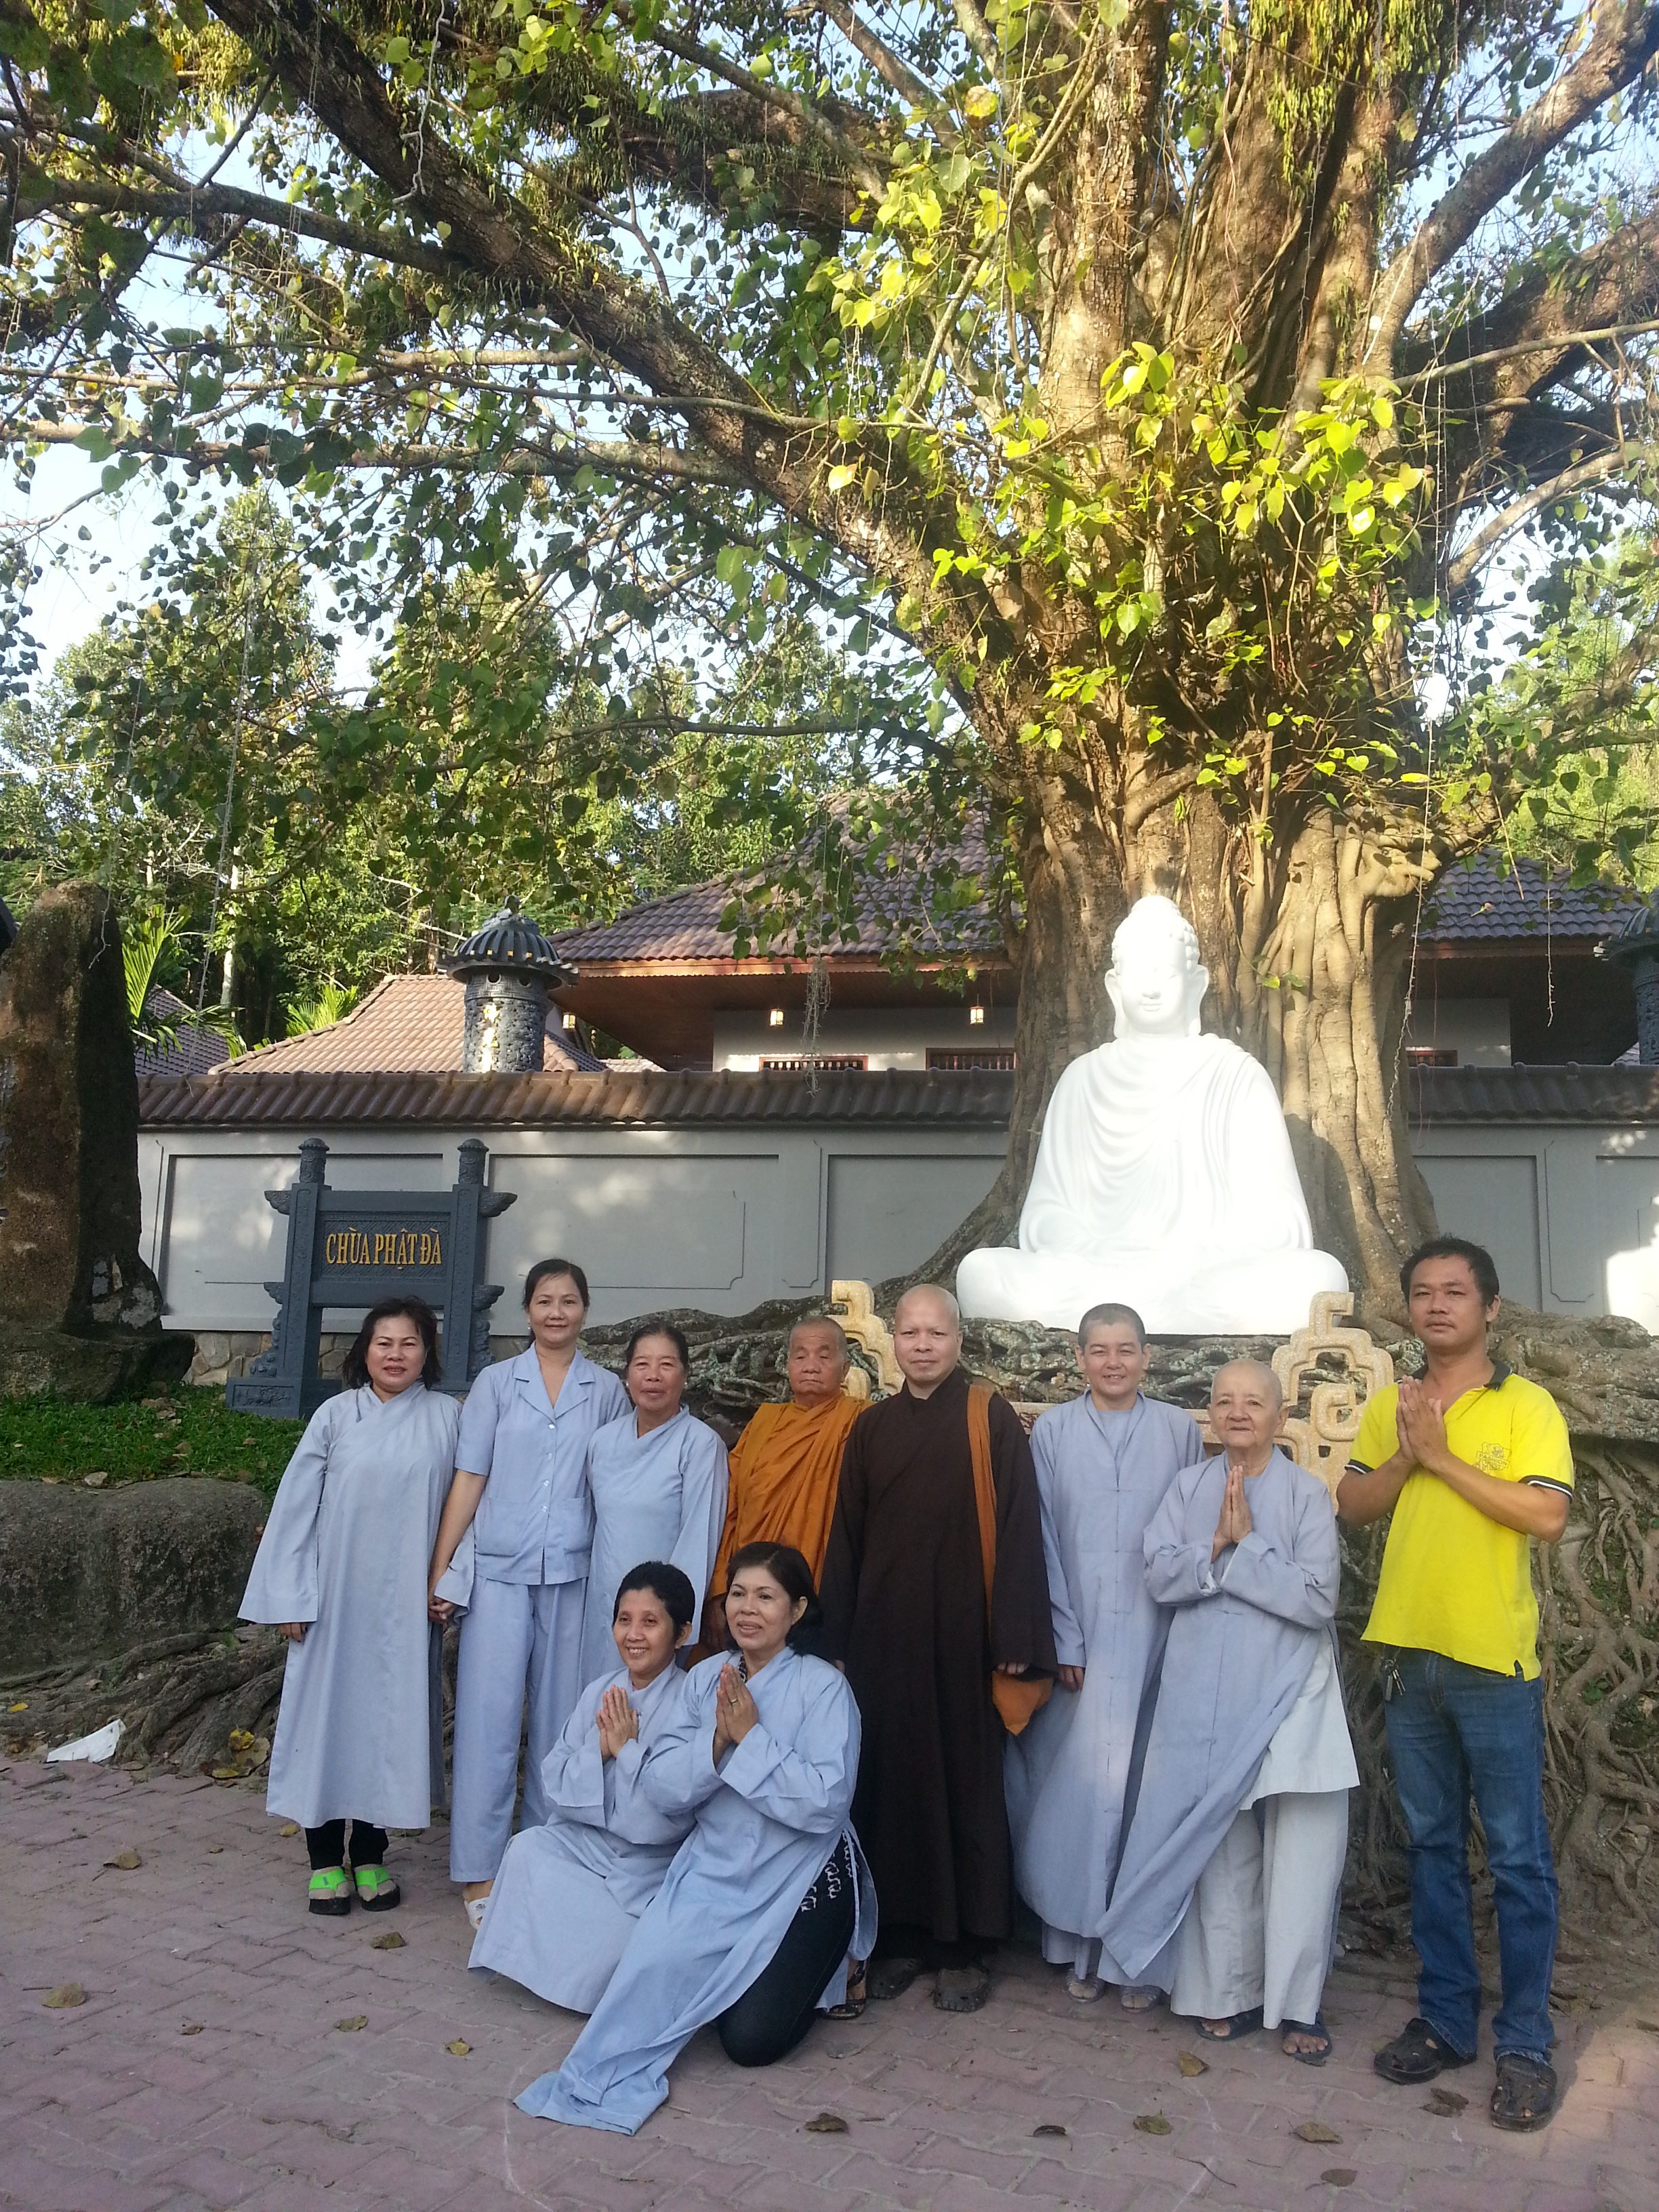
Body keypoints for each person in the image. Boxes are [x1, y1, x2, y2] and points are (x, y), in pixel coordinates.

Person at [516, 1542, 875, 2135]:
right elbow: (661, 1786)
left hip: (803, 1871)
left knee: (749, 2041)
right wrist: (716, 1743)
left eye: (766, 1597)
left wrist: (751, 1739)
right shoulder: (708, 1676)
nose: (748, 1609)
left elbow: (825, 1803)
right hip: (716, 1868)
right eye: (739, 1594)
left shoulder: (824, 1689)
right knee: (647, 1979)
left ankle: (838, 1961)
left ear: (796, 1609)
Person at [1338, 1235, 1575, 2133]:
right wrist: (1410, 1453)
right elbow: (1352, 1504)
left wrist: (1443, 1460)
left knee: (1517, 1859)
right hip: (1410, 1658)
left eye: (1455, 1292)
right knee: (1432, 1848)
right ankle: (1444, 2019)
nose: (1437, 1305)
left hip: (1494, 1666)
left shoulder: (1527, 1405)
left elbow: (1546, 1513)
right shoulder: (1393, 1405)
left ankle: (1525, 2043)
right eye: (1423, 1293)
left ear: (1490, 1308)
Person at [1099, 1361, 1356, 2063]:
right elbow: (1159, 1576)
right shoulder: (1188, 1488)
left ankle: (1299, 2004)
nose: (1238, 1413)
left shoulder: (1306, 1495)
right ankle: (1225, 1995)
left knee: (1302, 1853)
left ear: (1281, 1416)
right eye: (1224, 1401)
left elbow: (1317, 1599)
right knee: (1218, 1848)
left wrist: (1246, 1547)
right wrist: (1214, 1544)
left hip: (1291, 1692)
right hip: (1202, 1691)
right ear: (1209, 1414)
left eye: (1254, 1402)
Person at [819, 1283, 1055, 2013]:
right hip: (884, 1637)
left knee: (965, 1781)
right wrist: (836, 1639)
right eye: (911, 1333)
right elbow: (845, 1535)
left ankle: (967, 1946)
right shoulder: (872, 1428)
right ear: (892, 1341)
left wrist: (1015, 1633)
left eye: (937, 1334)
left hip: (965, 1635)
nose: (923, 1346)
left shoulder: (989, 1417)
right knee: (890, 1782)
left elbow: (1020, 1527)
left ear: (959, 1341)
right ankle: (900, 1935)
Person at [1007, 1303, 1202, 2004]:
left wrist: (1181, 1637)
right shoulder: (1054, 1432)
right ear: (1079, 1359)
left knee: (1148, 1790)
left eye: (1126, 1350)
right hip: (1080, 1641)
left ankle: (1136, 1955)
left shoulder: (1179, 1430)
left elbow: (1191, 1533)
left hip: (1154, 1633)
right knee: (1077, 1794)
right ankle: (1073, 1944)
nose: (1113, 1362)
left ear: (1148, 1357)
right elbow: (1040, 1540)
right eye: (1099, 1350)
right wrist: (1063, 1635)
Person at [240, 1297, 459, 1916]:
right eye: (384, 1343)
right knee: (327, 1724)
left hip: (405, 1608)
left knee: (386, 1726)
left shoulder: (449, 1419)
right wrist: (290, 1595)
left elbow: (467, 1508)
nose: (396, 1355)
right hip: (333, 1602)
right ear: (365, 1351)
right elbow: (294, 1510)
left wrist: (452, 1580)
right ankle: (322, 1860)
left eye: (409, 1343)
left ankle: (369, 1853)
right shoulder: (335, 1417)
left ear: (427, 1353)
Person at [428, 1258, 628, 1926]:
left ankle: (544, 1858)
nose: (556, 1312)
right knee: (486, 1720)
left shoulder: (606, 1390)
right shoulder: (496, 1384)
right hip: (500, 1573)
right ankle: (479, 1871)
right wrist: (441, 1565)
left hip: (574, 1573)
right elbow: (470, 1477)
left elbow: (613, 1484)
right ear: (528, 1310)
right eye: (545, 1300)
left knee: (560, 1724)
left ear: (584, 1310)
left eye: (568, 1301)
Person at [468, 1562, 698, 2013]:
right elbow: (555, 1776)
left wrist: (628, 1750)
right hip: (587, 1841)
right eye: (624, 1620)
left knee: (619, 1932)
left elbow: (675, 1804)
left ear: (682, 1633)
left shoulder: (691, 1701)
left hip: (649, 1861)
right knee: (527, 1849)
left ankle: (586, 1985)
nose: (634, 1635)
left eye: (650, 1622)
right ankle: (544, 1970)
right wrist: (602, 1750)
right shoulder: (601, 1691)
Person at [577, 1322, 729, 1689]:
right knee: (600, 1702)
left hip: (660, 1615)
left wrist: (674, 1622)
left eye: (667, 1365)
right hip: (605, 1606)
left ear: (685, 1375)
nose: (653, 1376)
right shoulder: (602, 1442)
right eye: (642, 1364)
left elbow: (699, 1541)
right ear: (627, 1374)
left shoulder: (700, 1445)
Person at [701, 1315, 864, 1650]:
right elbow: (730, 1506)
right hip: (751, 1590)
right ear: (787, 1364)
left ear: (846, 1368)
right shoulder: (763, 1423)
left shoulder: (861, 1422)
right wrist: (720, 1589)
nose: (811, 1366)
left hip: (827, 1593)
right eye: (800, 1356)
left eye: (824, 1356)